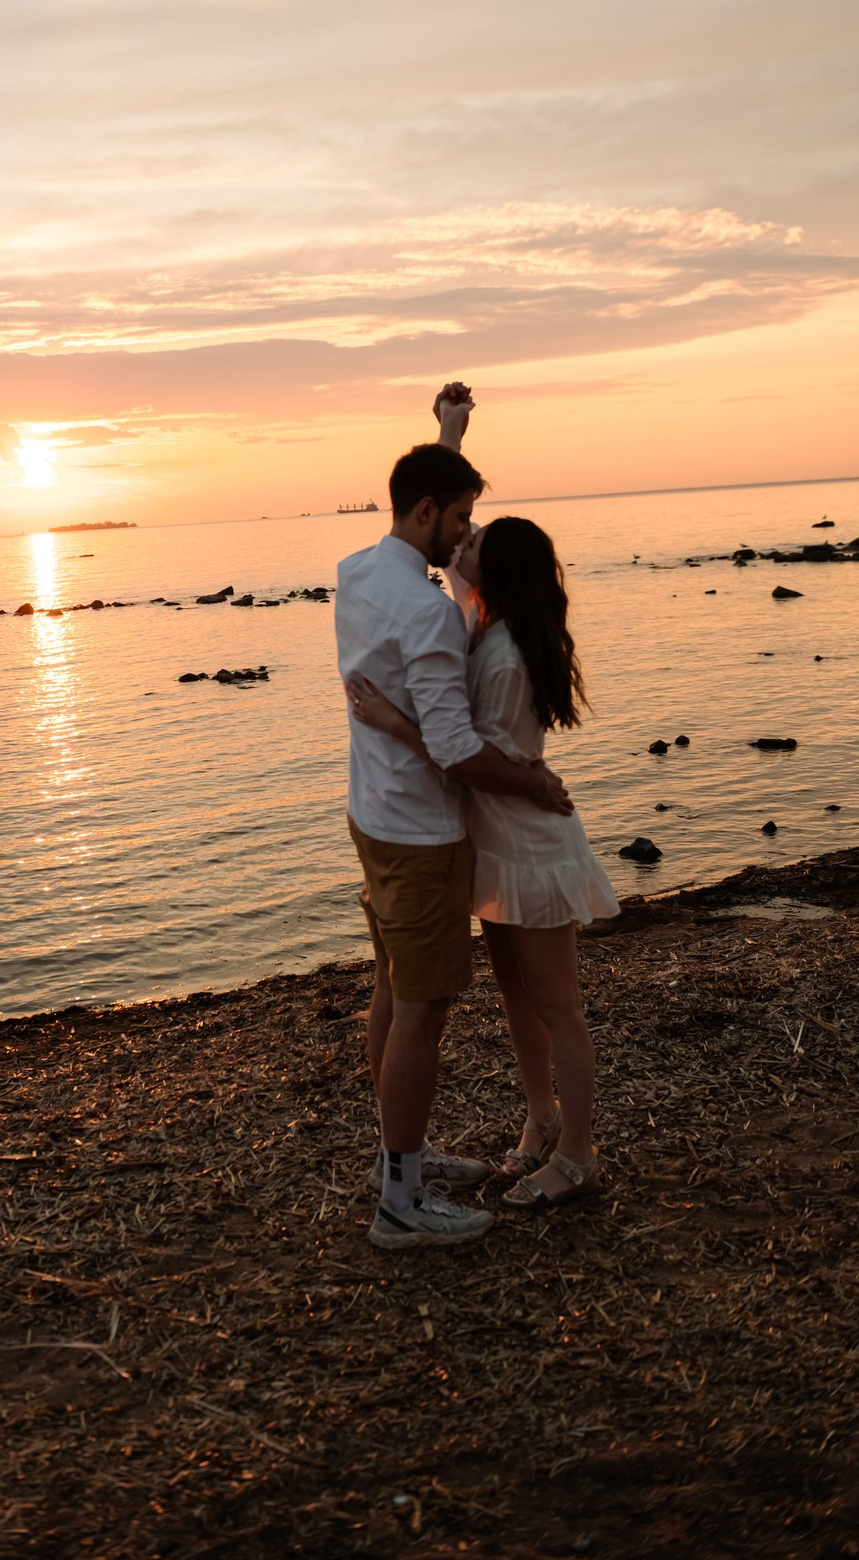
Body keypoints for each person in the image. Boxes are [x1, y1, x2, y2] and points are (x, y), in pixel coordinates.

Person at [348, 461, 617, 1211]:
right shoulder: (481, 619)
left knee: (557, 1004)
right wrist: (451, 436)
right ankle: (540, 1117)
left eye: (475, 539)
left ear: (491, 572)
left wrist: (392, 721)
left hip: (527, 841)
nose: (462, 539)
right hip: (495, 844)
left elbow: (474, 760)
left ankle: (576, 1152)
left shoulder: (498, 657)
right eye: (462, 524)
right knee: (514, 997)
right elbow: (419, 534)